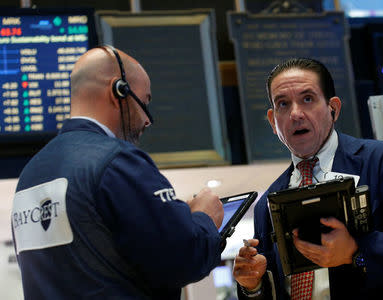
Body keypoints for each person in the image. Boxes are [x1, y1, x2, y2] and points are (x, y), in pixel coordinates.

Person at [11, 46, 224, 299]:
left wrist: (172, 217)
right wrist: (204, 218)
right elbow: (184, 259)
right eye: (144, 103)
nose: (147, 120)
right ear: (118, 91)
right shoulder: (117, 161)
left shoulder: (30, 174)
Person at [233, 58, 383, 299]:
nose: (295, 114)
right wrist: (253, 286)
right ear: (273, 121)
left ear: (333, 108)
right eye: (283, 104)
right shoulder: (267, 204)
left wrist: (355, 251)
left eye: (308, 99)